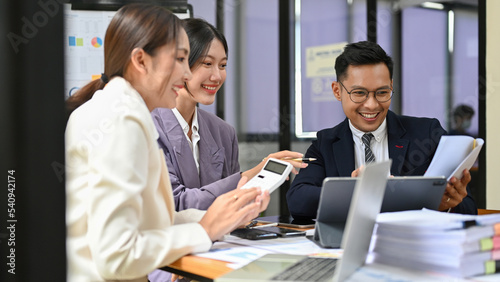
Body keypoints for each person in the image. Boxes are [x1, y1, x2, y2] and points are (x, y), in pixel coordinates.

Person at [65, 4, 270, 282]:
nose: (188, 74)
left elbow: (151, 223)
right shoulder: (121, 121)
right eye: (181, 59)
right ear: (141, 61)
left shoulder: (121, 111)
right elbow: (117, 255)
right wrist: (205, 230)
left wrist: (223, 219)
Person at [286, 41, 477, 219]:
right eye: (359, 93)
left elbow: (469, 207)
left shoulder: (427, 133)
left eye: (382, 92)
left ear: (391, 86)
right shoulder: (325, 143)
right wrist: (356, 191)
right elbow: (298, 200)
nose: (371, 105)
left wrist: (447, 205)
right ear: (337, 91)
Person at [150, 18, 306, 212]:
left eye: (222, 65)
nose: (216, 76)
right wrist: (252, 173)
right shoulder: (149, 127)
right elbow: (177, 204)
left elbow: (234, 205)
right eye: (207, 63)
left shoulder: (223, 132)